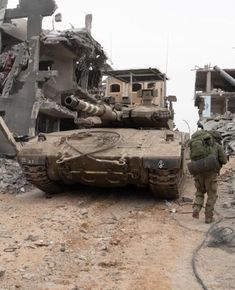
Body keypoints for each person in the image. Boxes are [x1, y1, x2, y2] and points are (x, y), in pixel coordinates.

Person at [192, 131, 227, 223]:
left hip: (199, 171)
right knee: (211, 195)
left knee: (199, 192)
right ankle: (208, 217)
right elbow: (224, 160)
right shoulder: (217, 146)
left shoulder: (199, 146)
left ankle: (196, 208)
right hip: (211, 174)